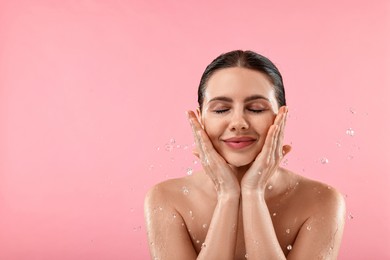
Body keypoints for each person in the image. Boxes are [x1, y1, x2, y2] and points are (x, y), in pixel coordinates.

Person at [144, 50, 346, 259]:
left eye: (257, 109)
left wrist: (253, 192)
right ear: (200, 118)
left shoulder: (322, 201)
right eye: (221, 109)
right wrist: (227, 195)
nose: (238, 123)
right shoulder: (166, 199)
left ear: (282, 116)